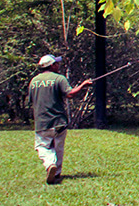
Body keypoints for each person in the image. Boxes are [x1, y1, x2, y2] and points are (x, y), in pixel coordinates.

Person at [28, 54, 93, 184]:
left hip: (42, 122)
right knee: (58, 148)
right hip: (59, 122)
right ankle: (56, 173)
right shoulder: (59, 78)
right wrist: (83, 85)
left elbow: (31, 101)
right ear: (51, 65)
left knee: (42, 146)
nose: (58, 65)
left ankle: (50, 165)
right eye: (56, 63)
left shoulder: (33, 81)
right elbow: (70, 94)